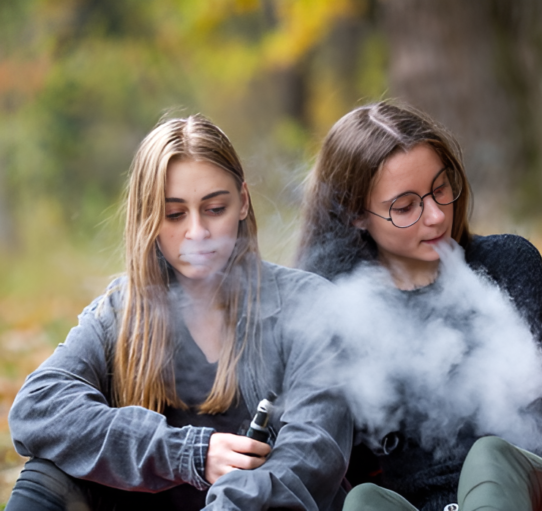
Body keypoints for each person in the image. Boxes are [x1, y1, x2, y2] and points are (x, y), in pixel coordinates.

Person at [7, 114, 352, 511]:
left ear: (242, 201)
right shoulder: (121, 310)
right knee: (47, 474)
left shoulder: (308, 306)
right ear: (148, 220)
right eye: (174, 214)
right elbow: (38, 407)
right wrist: (189, 453)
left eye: (214, 208)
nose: (197, 233)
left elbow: (313, 454)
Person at [297, 102, 542, 511]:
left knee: (490, 457)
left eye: (440, 189)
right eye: (405, 207)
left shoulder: (508, 264)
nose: (436, 216)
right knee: (363, 501)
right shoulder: (337, 307)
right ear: (355, 215)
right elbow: (343, 470)